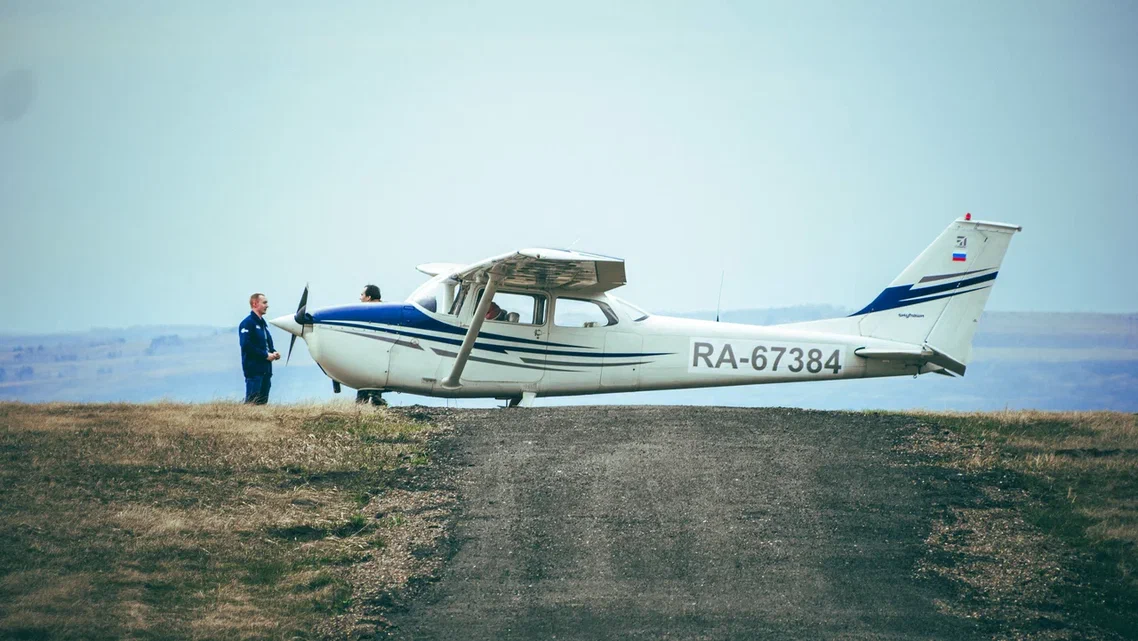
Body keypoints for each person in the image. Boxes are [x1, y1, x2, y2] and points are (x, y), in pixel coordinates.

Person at [240, 293, 280, 404]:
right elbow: (246, 345)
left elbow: (266, 344)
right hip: (254, 370)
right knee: (252, 402)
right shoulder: (247, 323)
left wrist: (273, 352)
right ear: (255, 304)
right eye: (264, 303)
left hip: (266, 370)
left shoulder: (263, 325)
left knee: (262, 403)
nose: (267, 306)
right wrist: (265, 355)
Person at [356, 285, 387, 406]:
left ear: (368, 297)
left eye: (362, 295)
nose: (360, 298)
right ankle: (372, 399)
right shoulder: (383, 309)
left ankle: (368, 400)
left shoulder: (373, 311)